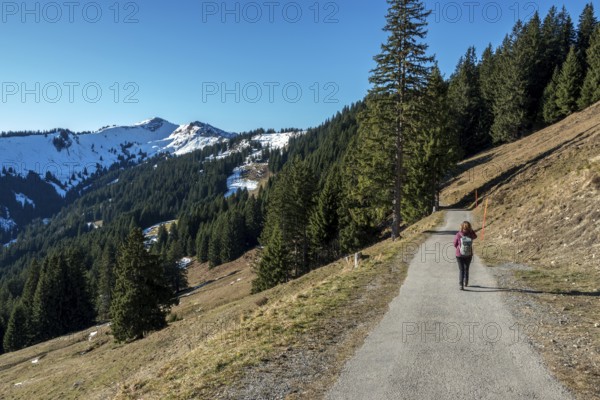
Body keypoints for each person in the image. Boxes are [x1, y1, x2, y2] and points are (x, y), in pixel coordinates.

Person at [453, 221, 477, 290]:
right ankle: (466, 282)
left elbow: (454, 244)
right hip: (468, 254)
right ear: (469, 227)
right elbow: (475, 236)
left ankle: (461, 285)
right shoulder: (470, 234)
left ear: (461, 227)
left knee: (461, 269)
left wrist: (459, 248)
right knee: (467, 269)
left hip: (459, 254)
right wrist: (471, 230)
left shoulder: (458, 234)